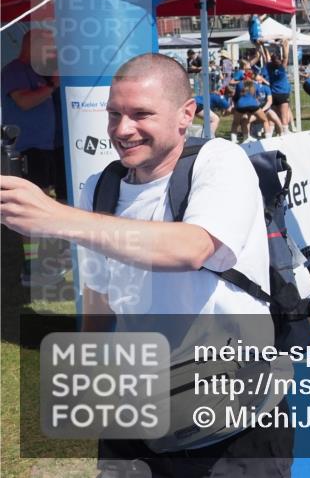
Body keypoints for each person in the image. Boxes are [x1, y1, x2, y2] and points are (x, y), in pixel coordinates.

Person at [0, 53, 292, 476]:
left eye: (141, 114)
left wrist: (57, 217)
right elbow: (99, 294)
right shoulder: (101, 187)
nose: (122, 129)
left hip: (232, 412)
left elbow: (192, 247)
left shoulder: (219, 161)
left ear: (184, 115)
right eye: (114, 113)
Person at [1, 28, 66, 288]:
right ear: (32, 46)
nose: (50, 52)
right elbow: (25, 102)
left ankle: (51, 257)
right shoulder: (15, 70)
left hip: (50, 146)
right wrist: (52, 85)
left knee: (55, 200)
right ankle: (32, 267)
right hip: (27, 148)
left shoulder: (42, 72)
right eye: (47, 47)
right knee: (27, 205)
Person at [263, 39, 292, 133]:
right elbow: (285, 57)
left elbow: (265, 57)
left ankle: (272, 134)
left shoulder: (268, 67)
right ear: (279, 60)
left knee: (274, 116)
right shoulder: (281, 68)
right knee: (284, 116)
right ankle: (285, 133)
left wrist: (263, 46)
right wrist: (284, 46)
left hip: (273, 93)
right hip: (283, 94)